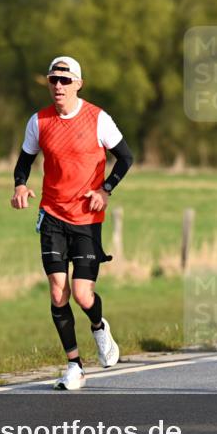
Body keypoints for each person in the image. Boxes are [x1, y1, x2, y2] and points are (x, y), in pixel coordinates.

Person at [10, 56, 135, 390]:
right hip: (52, 215)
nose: (59, 86)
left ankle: (98, 327)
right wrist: (20, 185)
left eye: (65, 80)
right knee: (57, 289)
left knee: (82, 294)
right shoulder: (39, 121)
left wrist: (105, 189)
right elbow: (24, 162)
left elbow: (126, 157)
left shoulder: (98, 119)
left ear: (79, 83)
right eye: (53, 80)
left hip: (86, 219)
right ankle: (74, 365)